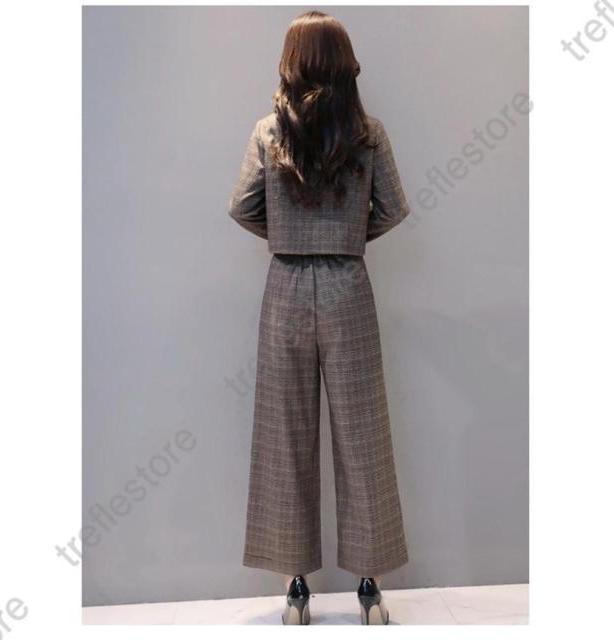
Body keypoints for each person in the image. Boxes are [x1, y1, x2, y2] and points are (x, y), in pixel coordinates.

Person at [229, 10, 410, 625]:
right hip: (348, 286)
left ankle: (296, 590)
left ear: (292, 62)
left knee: (284, 435)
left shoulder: (267, 132)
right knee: (363, 435)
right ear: (344, 63)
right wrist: (346, 237)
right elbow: (392, 209)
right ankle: (370, 588)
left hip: (284, 284)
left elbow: (243, 207)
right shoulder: (369, 134)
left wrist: (289, 235)